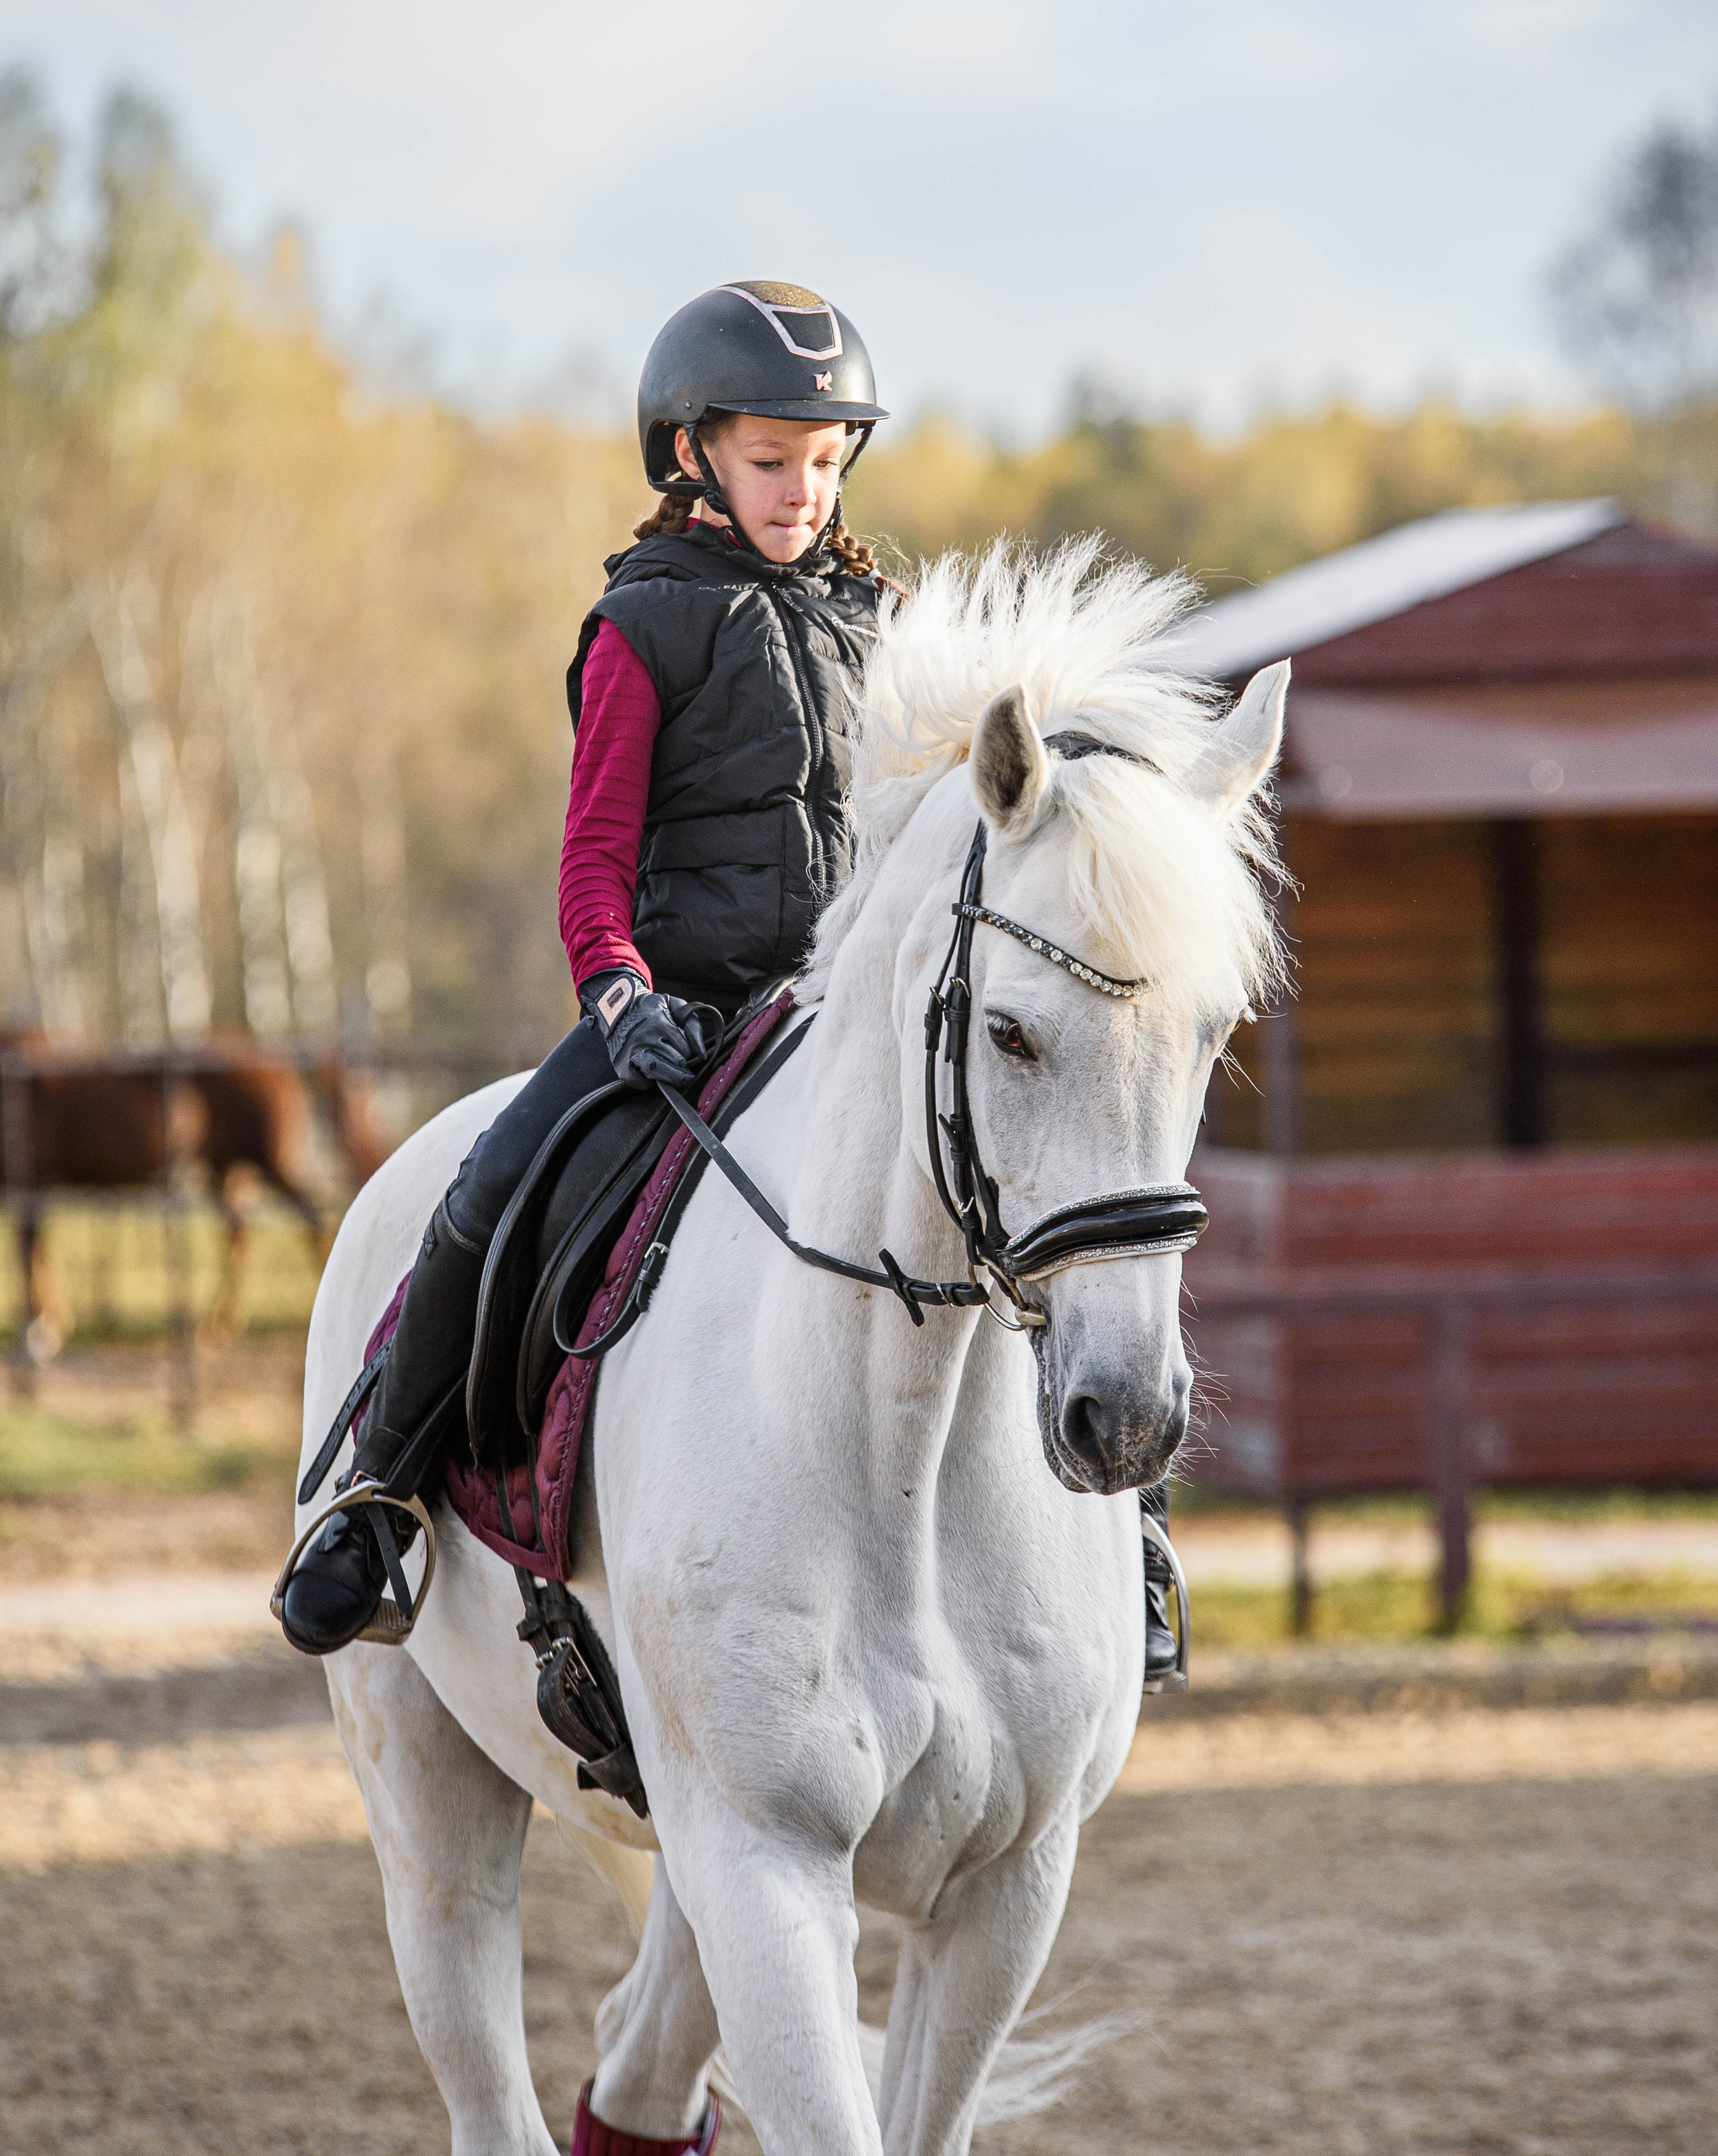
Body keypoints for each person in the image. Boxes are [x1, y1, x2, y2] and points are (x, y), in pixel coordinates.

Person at [278, 279, 1182, 1686]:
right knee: (479, 1193)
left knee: (1030, 1199)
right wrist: (621, 993)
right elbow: (591, 857)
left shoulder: (876, 620)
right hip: (674, 1013)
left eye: (825, 463)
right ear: (691, 452)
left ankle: (1122, 1540)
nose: (802, 491)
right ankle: (378, 1500)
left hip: (836, 1013)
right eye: (771, 461)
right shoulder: (643, 624)